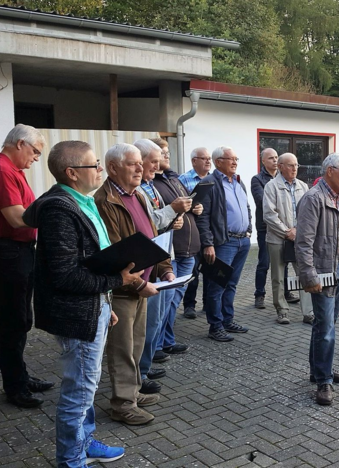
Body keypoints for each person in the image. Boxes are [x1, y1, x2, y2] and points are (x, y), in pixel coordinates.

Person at [23, 140, 136, 466]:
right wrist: (117, 282)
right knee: (80, 389)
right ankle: (71, 459)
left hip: (93, 306)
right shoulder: (60, 210)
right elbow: (65, 275)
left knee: (88, 383)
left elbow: (91, 261)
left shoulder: (81, 201)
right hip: (77, 312)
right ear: (72, 173)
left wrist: (105, 303)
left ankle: (84, 442)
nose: (100, 169)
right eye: (94, 164)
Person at [0, 124, 54, 408]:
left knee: (21, 319)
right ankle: (15, 386)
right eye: (35, 152)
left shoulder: (12, 170)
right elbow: (16, 218)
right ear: (20, 144)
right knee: (13, 322)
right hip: (7, 254)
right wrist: (52, 212)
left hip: (16, 252)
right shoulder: (1, 170)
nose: (36, 158)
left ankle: (20, 376)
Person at [94, 143, 171, 425]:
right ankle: (123, 404)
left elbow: (152, 236)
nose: (140, 168)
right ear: (113, 168)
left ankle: (133, 393)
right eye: (132, 164)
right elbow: (114, 252)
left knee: (137, 344)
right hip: (123, 289)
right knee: (122, 349)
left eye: (141, 163)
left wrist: (165, 268)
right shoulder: (105, 201)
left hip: (143, 283)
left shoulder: (137, 194)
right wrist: (138, 285)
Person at [295, 153, 339, 406]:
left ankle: (320, 370)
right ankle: (323, 381)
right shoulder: (313, 198)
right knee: (326, 328)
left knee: (326, 324)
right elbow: (303, 242)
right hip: (322, 271)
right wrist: (308, 275)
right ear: (330, 171)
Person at [133, 139, 189, 396]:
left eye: (159, 161)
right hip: (147, 263)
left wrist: (173, 219)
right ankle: (139, 373)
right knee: (145, 323)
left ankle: (144, 366)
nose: (157, 166)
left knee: (156, 319)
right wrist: (171, 211)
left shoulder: (150, 186)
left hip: (162, 258)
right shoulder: (137, 190)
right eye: (153, 161)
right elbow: (147, 224)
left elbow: (157, 221)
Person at [152, 138, 203, 360]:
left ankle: (167, 340)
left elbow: (184, 205)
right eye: (162, 153)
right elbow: (157, 215)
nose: (166, 156)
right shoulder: (150, 184)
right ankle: (156, 345)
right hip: (172, 249)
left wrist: (195, 207)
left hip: (188, 249)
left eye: (167, 153)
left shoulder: (173, 179)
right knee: (165, 300)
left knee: (173, 301)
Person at [196, 146, 252, 342]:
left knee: (232, 284)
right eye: (230, 159)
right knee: (217, 285)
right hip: (223, 243)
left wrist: (249, 228)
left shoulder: (238, 181)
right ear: (218, 162)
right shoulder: (208, 183)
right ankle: (215, 326)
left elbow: (246, 207)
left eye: (236, 159)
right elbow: (202, 217)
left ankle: (228, 320)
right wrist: (208, 244)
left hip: (242, 240)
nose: (235, 162)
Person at [263, 153, 314, 324]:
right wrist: (287, 232)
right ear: (280, 167)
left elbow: (309, 212)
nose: (294, 168)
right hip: (277, 238)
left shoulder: (303, 186)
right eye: (290, 165)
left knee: (304, 273)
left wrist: (298, 231)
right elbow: (269, 214)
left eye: (296, 165)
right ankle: (282, 311)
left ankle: (308, 312)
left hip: (299, 238)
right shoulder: (271, 186)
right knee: (278, 277)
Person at [252, 148, 294, 310]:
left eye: (276, 157)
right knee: (264, 262)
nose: (275, 160)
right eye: (270, 158)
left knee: (285, 261)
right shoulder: (257, 180)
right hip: (267, 228)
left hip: (287, 228)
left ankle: (286, 292)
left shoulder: (285, 178)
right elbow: (262, 201)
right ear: (263, 161)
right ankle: (259, 294)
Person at [180, 147, 212, 319]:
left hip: (210, 233)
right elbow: (177, 205)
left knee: (210, 270)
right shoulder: (183, 180)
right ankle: (189, 306)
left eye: (209, 158)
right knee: (192, 272)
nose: (208, 161)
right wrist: (192, 207)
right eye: (204, 158)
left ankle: (208, 303)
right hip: (192, 233)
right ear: (194, 161)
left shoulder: (213, 180)